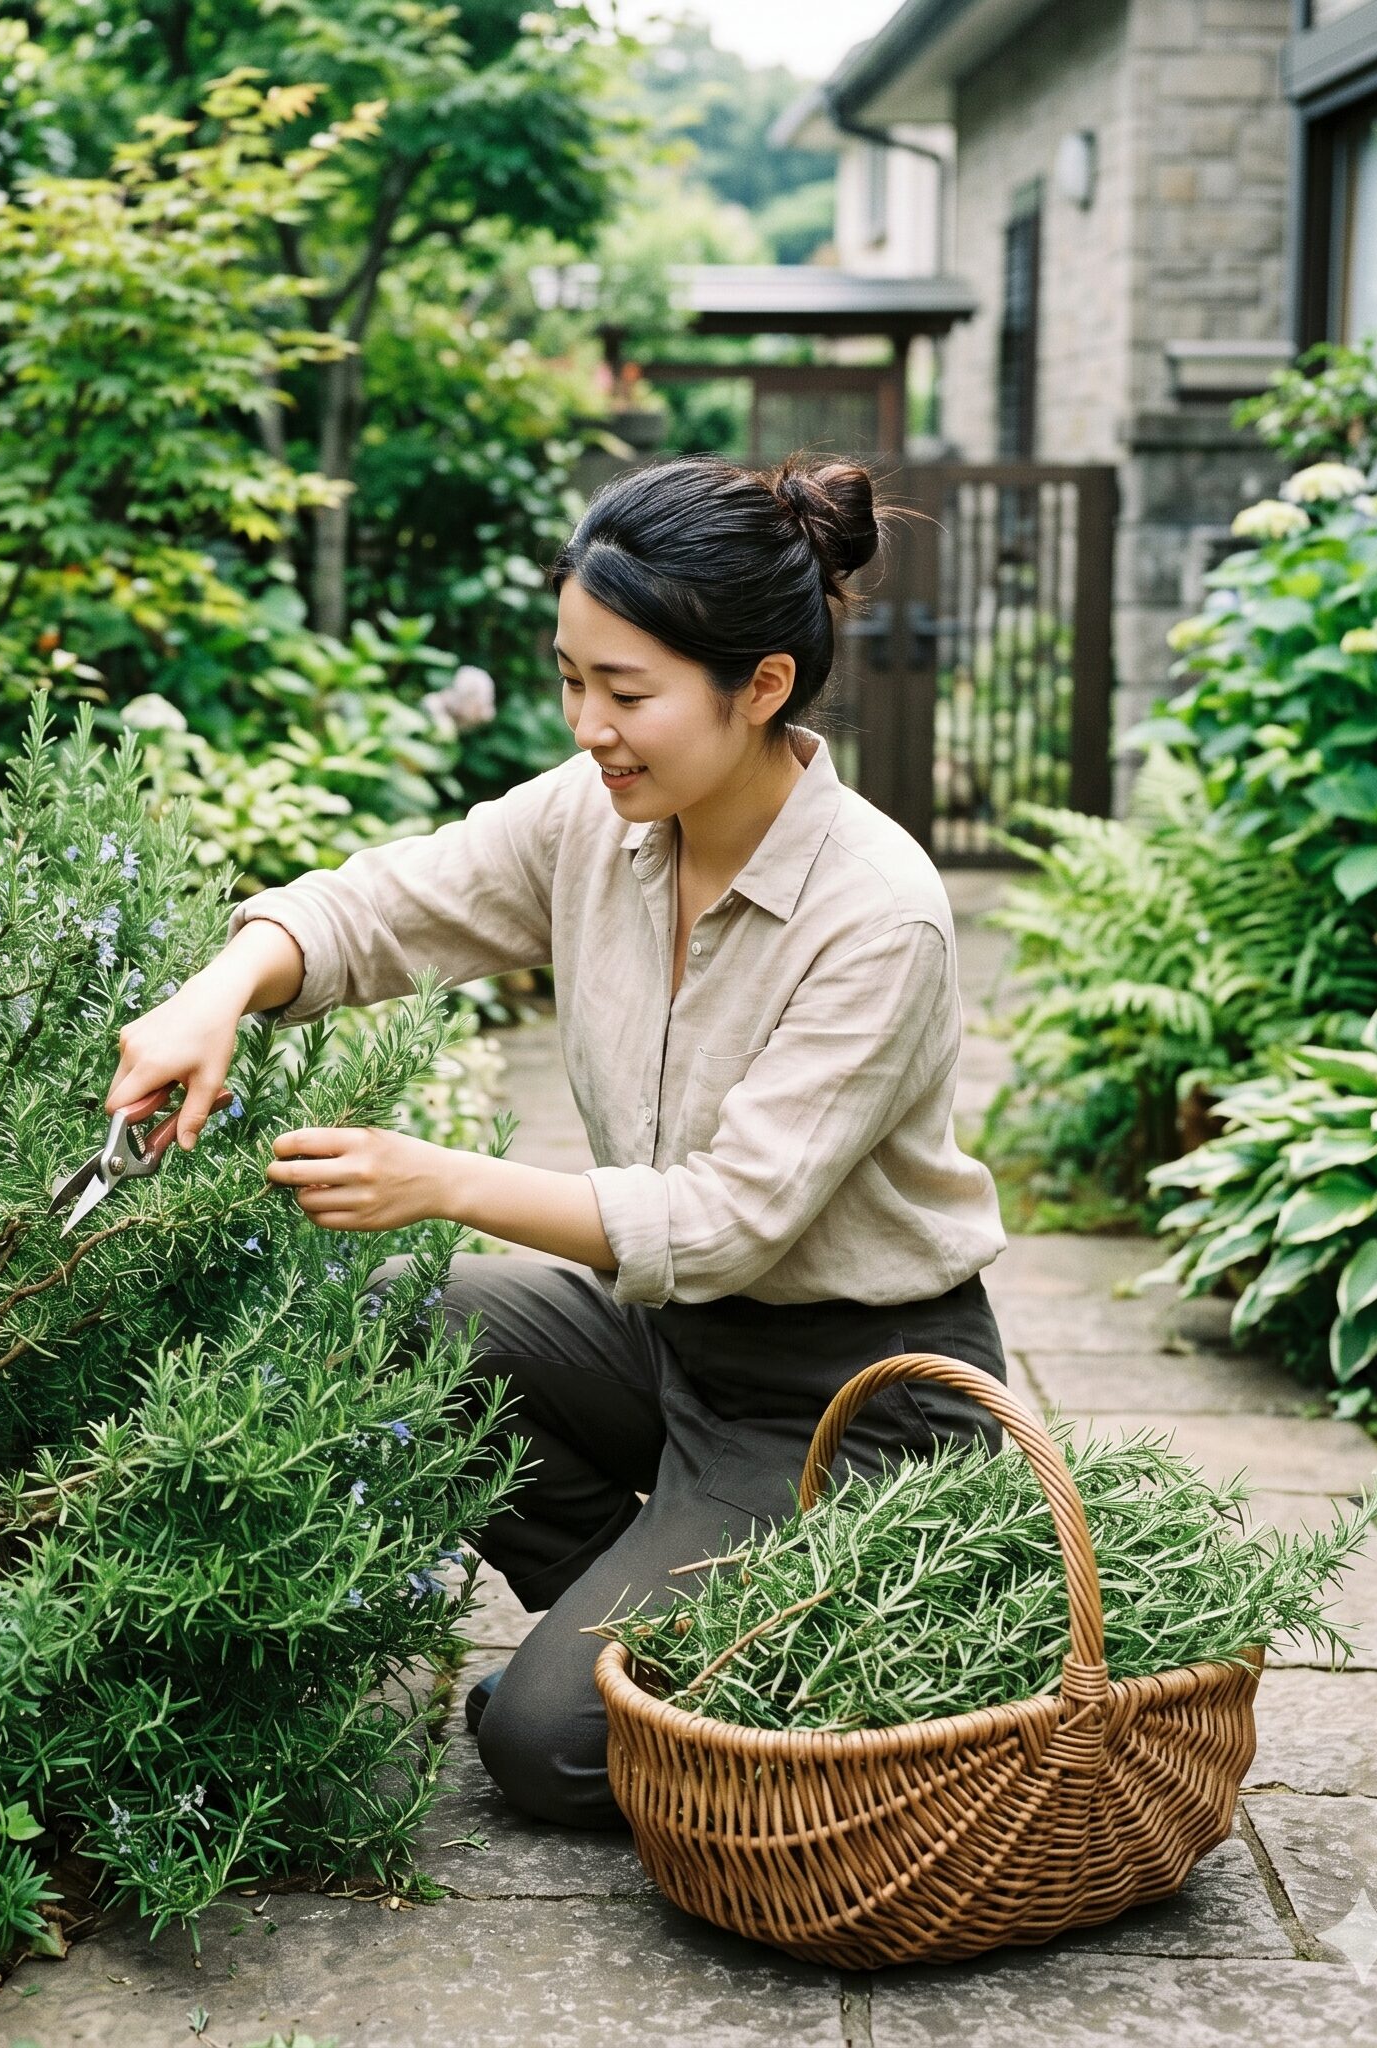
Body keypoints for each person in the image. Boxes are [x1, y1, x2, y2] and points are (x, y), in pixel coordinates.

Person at [104, 452, 1010, 1830]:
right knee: (394, 1319)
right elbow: (382, 908)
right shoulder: (601, 820)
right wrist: (215, 992)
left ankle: (709, 1653)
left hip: (850, 1398)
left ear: (763, 685)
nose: (589, 726)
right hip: (669, 1343)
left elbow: (724, 1225)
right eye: (573, 680)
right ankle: (648, 1626)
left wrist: (440, 1182)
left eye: (627, 693)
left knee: (544, 1755)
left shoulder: (878, 914)